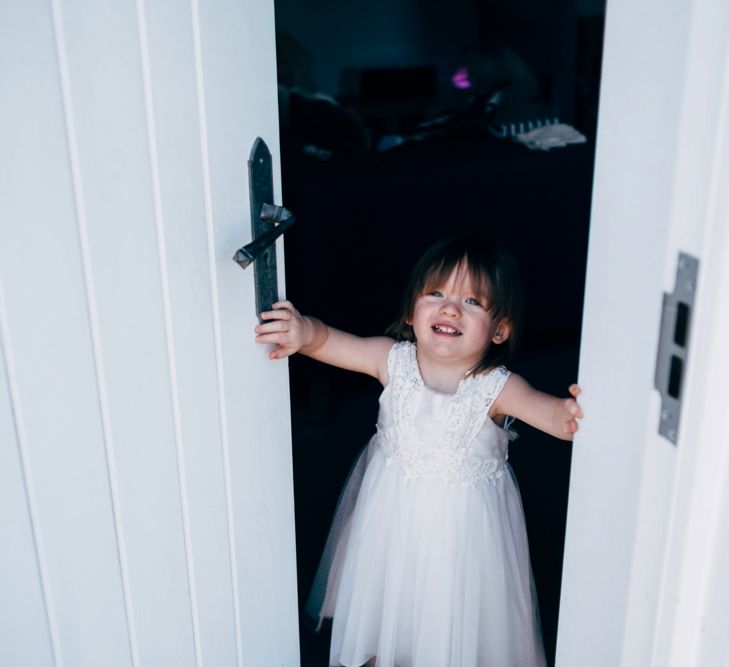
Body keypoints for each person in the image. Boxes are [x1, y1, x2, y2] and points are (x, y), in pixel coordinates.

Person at [254, 236, 582, 667]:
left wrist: (573, 410)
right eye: (436, 294)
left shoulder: (499, 388)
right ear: (412, 312)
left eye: (473, 301)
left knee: (449, 634)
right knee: (381, 622)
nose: (450, 308)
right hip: (389, 530)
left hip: (462, 545)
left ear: (500, 329)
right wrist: (303, 331)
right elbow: (328, 341)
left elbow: (555, 418)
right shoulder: (392, 361)